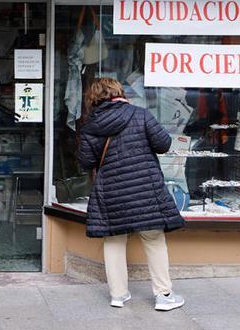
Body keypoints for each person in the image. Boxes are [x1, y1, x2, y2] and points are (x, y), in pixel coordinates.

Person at [77, 77, 186, 311]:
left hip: (112, 191)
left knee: (114, 239)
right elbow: (164, 144)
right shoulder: (140, 114)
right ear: (119, 92)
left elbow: (86, 162)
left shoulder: (90, 126)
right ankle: (164, 295)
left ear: (94, 98)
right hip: (145, 188)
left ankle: (118, 295)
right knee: (154, 239)